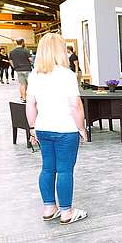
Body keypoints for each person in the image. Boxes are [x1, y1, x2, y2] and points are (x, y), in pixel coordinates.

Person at [25, 33, 88, 225]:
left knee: (47, 168)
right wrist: (82, 128)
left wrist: (32, 128)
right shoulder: (66, 74)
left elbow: (30, 105)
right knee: (64, 170)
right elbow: (75, 106)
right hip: (65, 130)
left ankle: (49, 208)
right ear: (60, 50)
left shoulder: (34, 74)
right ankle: (67, 212)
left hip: (43, 128)